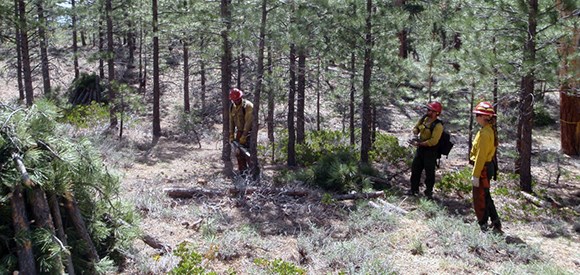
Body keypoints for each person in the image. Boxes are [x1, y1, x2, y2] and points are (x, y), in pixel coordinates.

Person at [470, 101, 502, 234]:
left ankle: (483, 224)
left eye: (477, 114)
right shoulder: (488, 130)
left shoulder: (485, 134)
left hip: (482, 168)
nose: (476, 117)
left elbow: (481, 156)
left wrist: (475, 174)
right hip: (486, 167)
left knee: (480, 198)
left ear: (483, 117)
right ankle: (495, 221)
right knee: (486, 195)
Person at [408, 101, 444, 200]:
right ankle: (413, 190)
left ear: (436, 112)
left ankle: (428, 192)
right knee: (415, 169)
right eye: (428, 110)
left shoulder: (438, 126)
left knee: (429, 172)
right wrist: (415, 134)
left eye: (431, 110)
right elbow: (416, 127)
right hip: (421, 149)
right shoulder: (424, 119)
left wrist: (419, 143)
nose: (428, 112)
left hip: (430, 151)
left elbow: (433, 141)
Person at [228, 88, 254, 173]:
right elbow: (231, 121)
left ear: (241, 97)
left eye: (237, 99)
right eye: (234, 100)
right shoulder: (232, 107)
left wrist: (244, 136)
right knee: (239, 154)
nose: (236, 101)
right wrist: (231, 134)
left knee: (249, 154)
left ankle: (253, 173)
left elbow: (248, 122)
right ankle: (243, 173)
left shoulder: (248, 106)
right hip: (239, 132)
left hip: (249, 133)